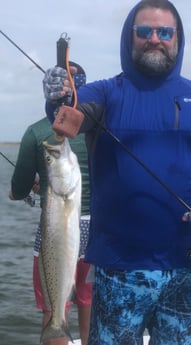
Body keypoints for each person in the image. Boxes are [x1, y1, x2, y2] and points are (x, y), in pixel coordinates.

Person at [42, 1, 191, 344]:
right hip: (119, 270)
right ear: (129, 37)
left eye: (164, 32)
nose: (154, 38)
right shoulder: (104, 93)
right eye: (144, 31)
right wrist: (58, 97)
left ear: (178, 38)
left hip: (188, 270)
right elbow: (69, 115)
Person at [9, 67, 92, 345]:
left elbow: (19, 188)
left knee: (54, 306)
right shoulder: (96, 129)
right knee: (89, 300)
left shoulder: (36, 132)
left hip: (55, 228)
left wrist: (26, 188)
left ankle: (55, 329)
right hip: (98, 230)